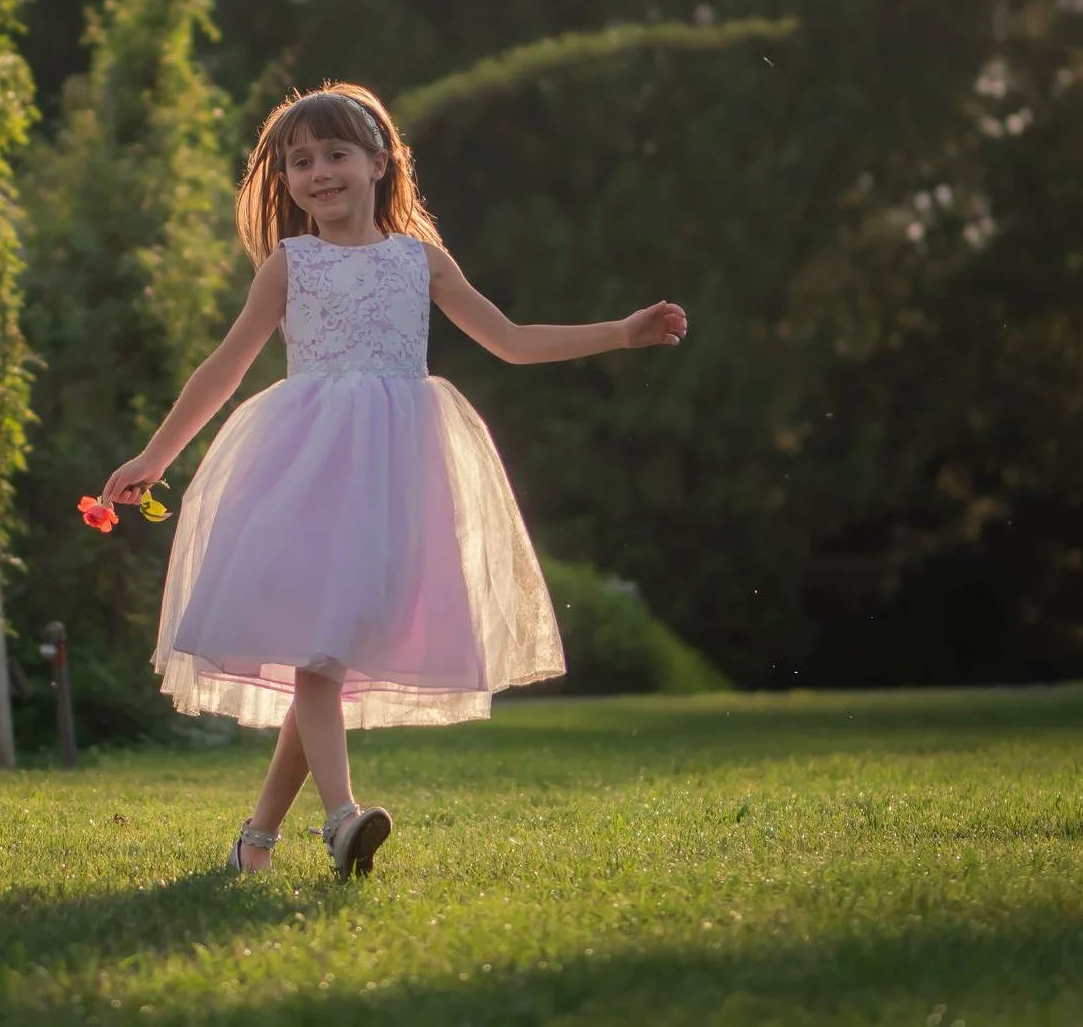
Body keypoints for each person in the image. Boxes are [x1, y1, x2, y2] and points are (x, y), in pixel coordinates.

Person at [96, 83, 688, 878]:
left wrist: (620, 332)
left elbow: (509, 341)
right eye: (299, 162)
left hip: (395, 481)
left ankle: (255, 841)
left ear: (380, 162)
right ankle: (341, 821)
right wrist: (155, 457)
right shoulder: (289, 264)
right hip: (302, 474)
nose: (318, 173)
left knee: (328, 654)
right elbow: (224, 367)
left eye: (335, 154)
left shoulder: (420, 262)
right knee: (322, 650)